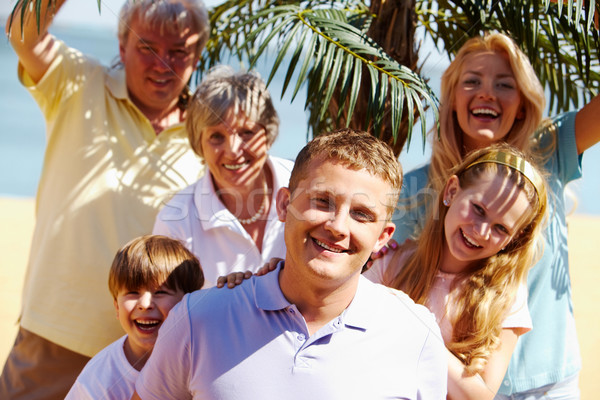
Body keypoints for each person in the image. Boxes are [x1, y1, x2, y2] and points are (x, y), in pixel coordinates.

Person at [132, 129, 448, 400]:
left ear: (383, 236)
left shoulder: (415, 334)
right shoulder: (197, 318)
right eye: (322, 201)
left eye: (361, 214)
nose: (338, 226)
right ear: (284, 204)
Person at [1, 0, 209, 398]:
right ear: (121, 45)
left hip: (156, 345)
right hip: (59, 332)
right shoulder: (78, 83)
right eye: (147, 47)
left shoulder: (210, 132)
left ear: (197, 55)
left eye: (178, 51)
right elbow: (22, 34)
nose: (162, 64)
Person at [390, 32, 600, 398]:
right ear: (453, 99)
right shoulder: (413, 190)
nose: (487, 93)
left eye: (505, 84)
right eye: (472, 81)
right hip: (456, 385)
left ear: (521, 104)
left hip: (549, 386)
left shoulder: (549, 150)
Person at [365, 145, 547, 399]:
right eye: (479, 210)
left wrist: (415, 324)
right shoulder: (392, 264)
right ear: (451, 191)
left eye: (501, 228)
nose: (481, 231)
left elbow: (480, 396)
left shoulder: (506, 297)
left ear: (514, 240)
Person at [153, 65, 294, 287]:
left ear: (268, 133)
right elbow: (170, 314)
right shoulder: (175, 222)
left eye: (247, 132)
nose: (233, 150)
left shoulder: (304, 185)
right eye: (216, 136)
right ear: (199, 143)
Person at [65, 235, 204, 400]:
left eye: (160, 292)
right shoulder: (99, 378)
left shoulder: (204, 354)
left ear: (188, 302)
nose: (145, 304)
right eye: (132, 292)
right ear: (117, 306)